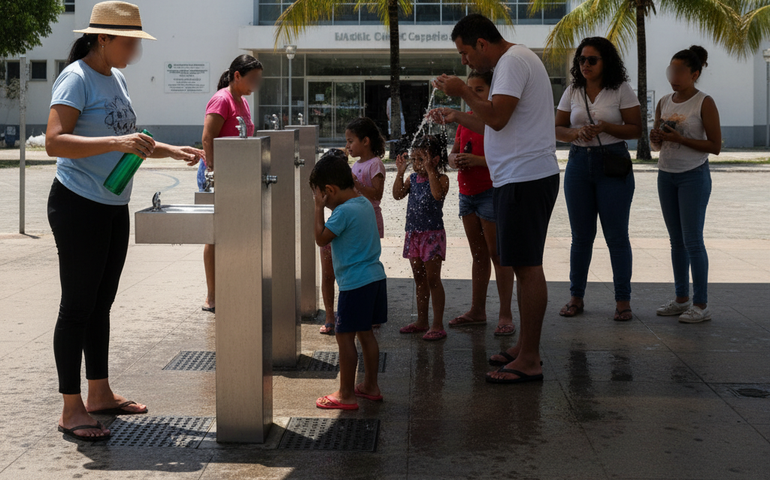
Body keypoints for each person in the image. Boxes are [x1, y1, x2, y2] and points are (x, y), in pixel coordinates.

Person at [45, 1, 203, 442]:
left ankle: (99, 393)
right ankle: (71, 407)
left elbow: (129, 138)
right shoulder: (76, 77)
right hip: (77, 205)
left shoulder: (116, 78)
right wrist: (116, 142)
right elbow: (54, 142)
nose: (135, 51)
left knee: (102, 303)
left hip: (112, 204)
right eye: (129, 42)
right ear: (102, 38)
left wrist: (169, 150)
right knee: (77, 306)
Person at [430, 14, 560, 383]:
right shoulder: (512, 62)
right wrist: (457, 115)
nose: (464, 61)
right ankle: (524, 347)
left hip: (525, 177)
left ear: (482, 44)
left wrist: (463, 91)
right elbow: (494, 122)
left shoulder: (513, 62)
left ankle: (530, 358)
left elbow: (498, 118)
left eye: (465, 53)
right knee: (520, 263)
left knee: (527, 266)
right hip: (519, 177)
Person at [555, 37, 642, 322]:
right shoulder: (573, 90)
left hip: (612, 163)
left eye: (592, 60)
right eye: (581, 59)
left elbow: (636, 129)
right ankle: (576, 297)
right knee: (581, 237)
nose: (585, 65)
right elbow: (557, 128)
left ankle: (623, 301)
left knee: (616, 236)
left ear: (606, 62)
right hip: (579, 163)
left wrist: (606, 127)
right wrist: (575, 133)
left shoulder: (620, 89)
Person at [310, 149, 387, 409]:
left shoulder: (342, 213)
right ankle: (371, 386)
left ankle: (345, 394)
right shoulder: (363, 203)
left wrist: (317, 209)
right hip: (375, 278)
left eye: (321, 197)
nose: (321, 202)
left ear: (329, 191)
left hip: (355, 285)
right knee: (366, 335)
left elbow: (320, 238)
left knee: (344, 338)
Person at [650, 46, 721, 324]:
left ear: (695, 74)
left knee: (692, 240)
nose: (674, 76)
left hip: (693, 175)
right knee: (676, 241)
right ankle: (681, 299)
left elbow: (715, 146)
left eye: (680, 71)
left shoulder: (704, 102)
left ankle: (701, 304)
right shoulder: (664, 101)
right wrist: (656, 138)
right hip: (666, 174)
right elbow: (657, 146)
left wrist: (681, 140)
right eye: (671, 70)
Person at [446, 70, 517, 337]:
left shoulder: (496, 122)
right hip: (467, 194)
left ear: (492, 92)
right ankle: (477, 310)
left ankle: (505, 314)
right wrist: (455, 160)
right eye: (470, 89)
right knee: (478, 255)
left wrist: (476, 161)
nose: (472, 95)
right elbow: (453, 153)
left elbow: (507, 157)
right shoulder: (465, 120)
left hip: (490, 192)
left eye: (479, 90)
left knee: (498, 255)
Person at [199, 54, 263, 313]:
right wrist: (213, 172)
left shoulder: (243, 102)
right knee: (215, 235)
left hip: (239, 177)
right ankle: (212, 295)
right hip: (221, 176)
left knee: (235, 234)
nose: (257, 83)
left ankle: (233, 286)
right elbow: (207, 138)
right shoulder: (222, 99)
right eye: (253, 78)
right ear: (237, 76)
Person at [393, 135, 451, 341]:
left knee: (433, 279)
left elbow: (437, 195)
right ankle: (422, 321)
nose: (416, 164)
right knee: (419, 279)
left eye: (421, 159)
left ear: (434, 160)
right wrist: (400, 173)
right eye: (414, 159)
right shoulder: (412, 179)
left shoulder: (442, 179)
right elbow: (397, 195)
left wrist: (430, 171)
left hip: (432, 235)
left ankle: (438, 324)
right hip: (414, 234)